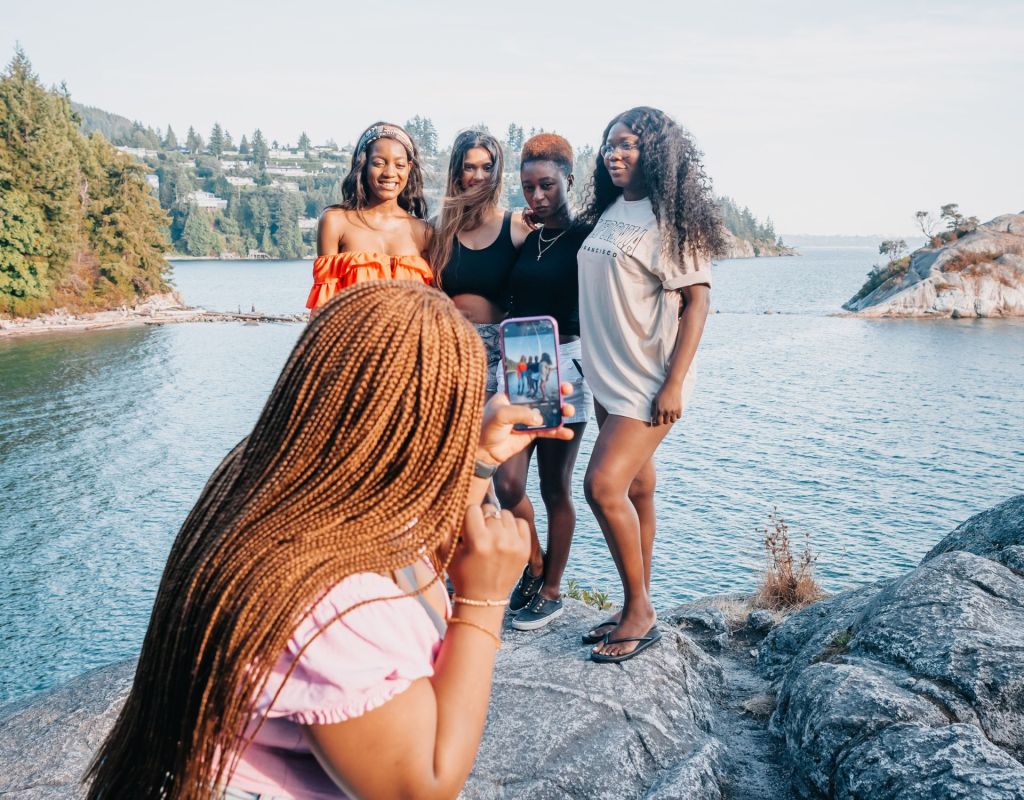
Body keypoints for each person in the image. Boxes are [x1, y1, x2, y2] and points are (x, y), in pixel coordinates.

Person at [85, 281, 575, 800]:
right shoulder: (334, 598)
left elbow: (410, 545)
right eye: (455, 413)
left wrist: (477, 461)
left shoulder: (276, 480)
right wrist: (484, 599)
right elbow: (422, 786)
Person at [578, 107, 723, 663]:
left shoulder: (671, 221)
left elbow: (698, 302)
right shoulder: (612, 207)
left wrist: (674, 383)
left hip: (647, 379)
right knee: (637, 489)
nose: (614, 154)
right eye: (609, 144)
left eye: (628, 145)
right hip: (605, 373)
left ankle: (641, 613)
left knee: (602, 487)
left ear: (656, 153)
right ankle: (632, 602)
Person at [495, 133, 593, 631]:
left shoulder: (586, 237)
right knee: (506, 481)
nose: (536, 196)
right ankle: (534, 563)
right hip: (519, 363)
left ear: (568, 181)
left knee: (555, 485)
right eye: (528, 186)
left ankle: (551, 590)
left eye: (547, 185)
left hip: (566, 361)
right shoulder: (527, 237)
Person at [428, 130, 531, 395]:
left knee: (493, 435)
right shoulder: (435, 230)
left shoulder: (519, 227)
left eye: (487, 167)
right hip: (450, 353)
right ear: (456, 173)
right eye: (469, 167)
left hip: (502, 355)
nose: (479, 176)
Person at [306, 122, 431, 314]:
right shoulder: (335, 221)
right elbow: (323, 308)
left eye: (399, 165)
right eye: (379, 163)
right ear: (363, 165)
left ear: (409, 168)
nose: (390, 173)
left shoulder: (424, 231)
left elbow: (431, 308)